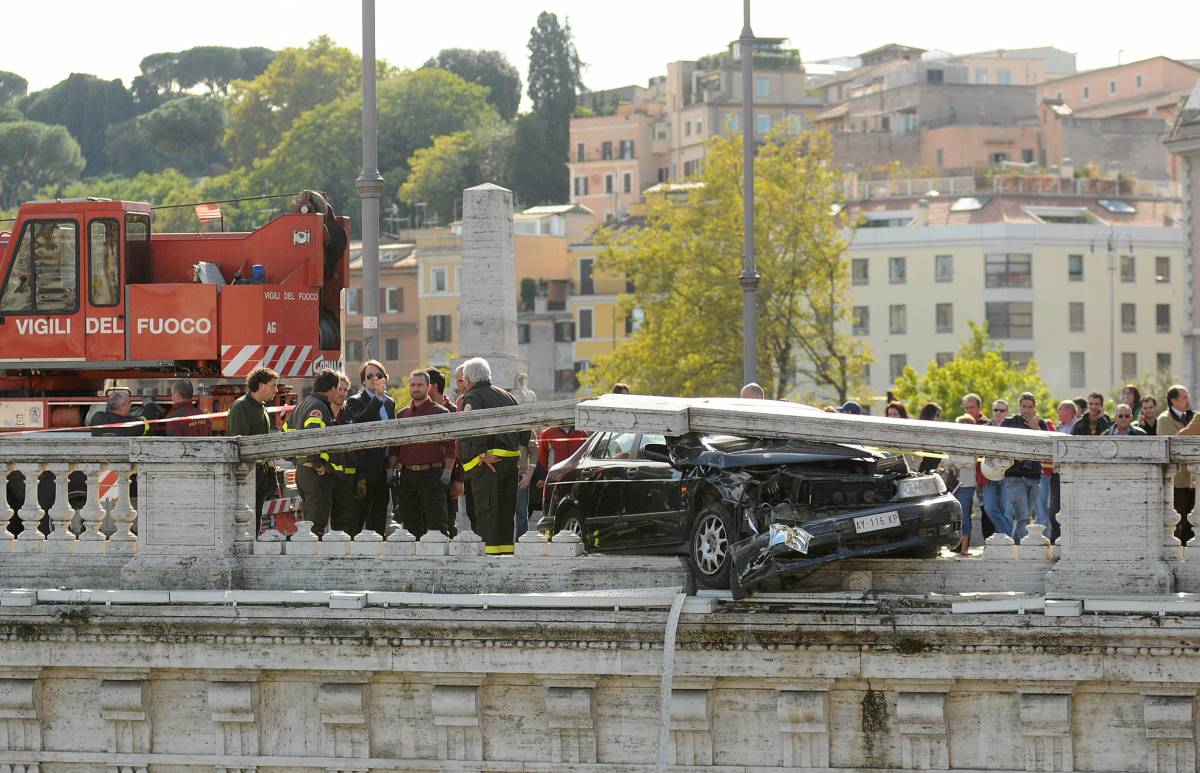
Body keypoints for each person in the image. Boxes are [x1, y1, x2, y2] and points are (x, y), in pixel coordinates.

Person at [458, 357, 527, 554]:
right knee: (506, 514)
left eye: (463, 380)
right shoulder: (508, 396)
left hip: (488, 465)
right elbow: (524, 431)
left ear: (470, 379)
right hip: (510, 462)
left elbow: (474, 427)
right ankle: (505, 556)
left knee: (487, 514)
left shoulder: (472, 398)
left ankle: (489, 562)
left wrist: (481, 454)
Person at [284, 368, 348, 537]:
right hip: (315, 475)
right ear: (332, 389)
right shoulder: (319, 407)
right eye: (338, 388)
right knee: (316, 526)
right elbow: (313, 435)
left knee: (309, 523)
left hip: (303, 471)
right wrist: (317, 463)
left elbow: (286, 432)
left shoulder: (303, 404)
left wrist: (296, 460)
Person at [392, 370, 455, 539]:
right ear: (408, 387)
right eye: (413, 384)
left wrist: (448, 473)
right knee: (410, 526)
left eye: (420, 385)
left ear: (428, 387)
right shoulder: (402, 415)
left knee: (438, 526)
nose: (416, 388)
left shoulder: (441, 413)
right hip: (407, 476)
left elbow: (451, 445)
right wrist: (389, 472)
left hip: (433, 475)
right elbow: (394, 448)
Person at [344, 360, 395, 536]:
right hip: (363, 469)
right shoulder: (354, 401)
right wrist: (377, 399)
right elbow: (360, 424)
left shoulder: (390, 402)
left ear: (385, 379)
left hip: (383, 466)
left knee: (380, 515)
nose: (374, 379)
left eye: (378, 375)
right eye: (369, 376)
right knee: (358, 516)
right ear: (363, 381)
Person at [226, 367, 280, 535]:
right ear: (261, 385)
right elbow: (239, 444)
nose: (276, 390)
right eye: (273, 385)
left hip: (260, 472)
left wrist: (271, 473)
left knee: (255, 518)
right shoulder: (242, 407)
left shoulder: (261, 407)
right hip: (247, 474)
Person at [1000, 392, 1050, 542]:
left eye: (1030, 407)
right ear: (1019, 406)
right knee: (1022, 516)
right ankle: (1023, 547)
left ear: (1035, 407)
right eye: (1024, 406)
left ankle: (1015, 545)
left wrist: (1037, 430)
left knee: (1026, 516)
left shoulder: (1040, 423)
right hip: (1014, 476)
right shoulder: (1009, 422)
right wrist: (1015, 456)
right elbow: (1001, 445)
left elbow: (1047, 446)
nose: (1027, 410)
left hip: (1034, 475)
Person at [1164, 385, 1197, 542]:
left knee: (1191, 526)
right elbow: (1175, 443)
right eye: (1183, 397)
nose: (1187, 400)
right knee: (1177, 523)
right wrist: (1197, 423)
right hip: (1177, 481)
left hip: (1192, 481)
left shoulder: (1190, 416)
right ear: (1173, 401)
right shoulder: (1164, 419)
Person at [328, 372, 359, 535]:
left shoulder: (350, 415)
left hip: (347, 480)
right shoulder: (321, 412)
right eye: (339, 388)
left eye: (345, 390)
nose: (342, 393)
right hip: (325, 475)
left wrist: (360, 479)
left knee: (346, 523)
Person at [947, 415, 979, 554]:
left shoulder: (973, 445)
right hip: (953, 485)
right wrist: (958, 463)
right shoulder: (952, 443)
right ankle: (955, 545)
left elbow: (972, 461)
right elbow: (946, 461)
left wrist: (957, 463)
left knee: (964, 516)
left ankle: (964, 548)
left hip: (967, 485)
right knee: (952, 516)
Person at [915, 403, 943, 473]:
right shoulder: (919, 432)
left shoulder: (939, 433)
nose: (938, 418)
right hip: (920, 472)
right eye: (937, 415)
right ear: (929, 415)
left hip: (933, 472)